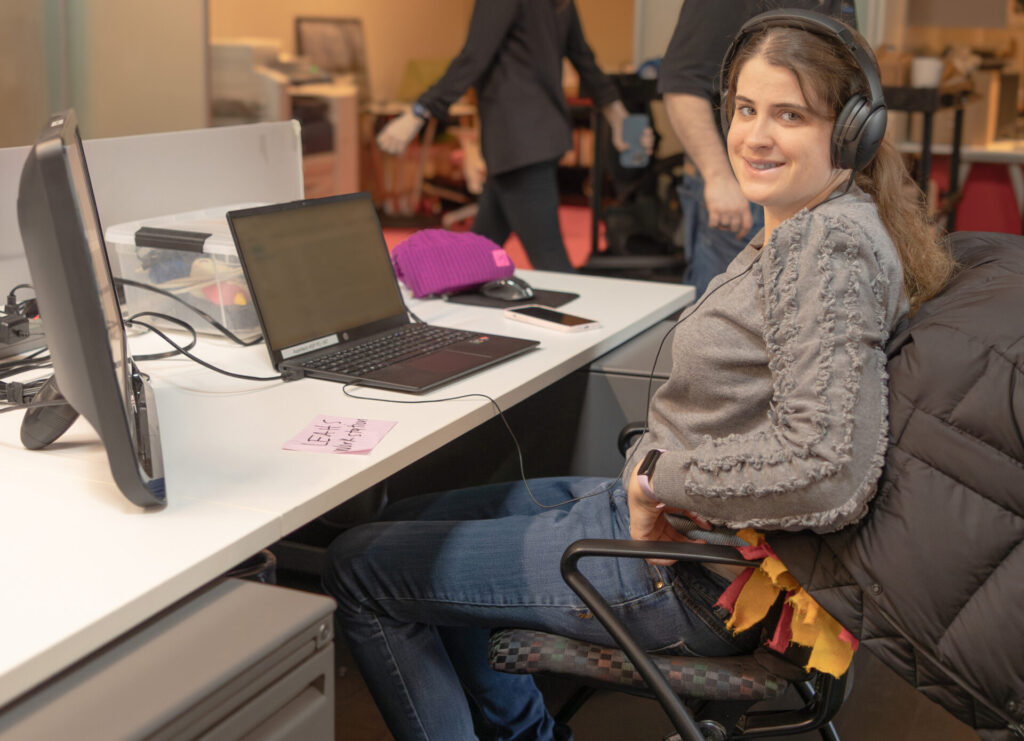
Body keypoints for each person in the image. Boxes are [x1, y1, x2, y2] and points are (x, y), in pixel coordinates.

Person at [324, 11, 955, 741]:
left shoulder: (828, 249)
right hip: (692, 538)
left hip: (689, 573)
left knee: (359, 566)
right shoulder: (815, 219)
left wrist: (660, 477)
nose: (754, 135)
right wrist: (655, 474)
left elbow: (828, 466)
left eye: (790, 115)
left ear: (851, 132)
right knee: (410, 524)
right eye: (745, 109)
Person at [377, 0, 638, 273]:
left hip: (518, 143)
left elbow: (474, 57)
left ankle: (585, 317)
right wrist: (619, 116)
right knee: (477, 255)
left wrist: (420, 111)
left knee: (552, 265)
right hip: (534, 138)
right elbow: (585, 59)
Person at [658, 0, 856, 296]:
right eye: (746, 109)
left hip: (815, 190)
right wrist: (719, 177)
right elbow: (682, 86)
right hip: (740, 191)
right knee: (724, 323)